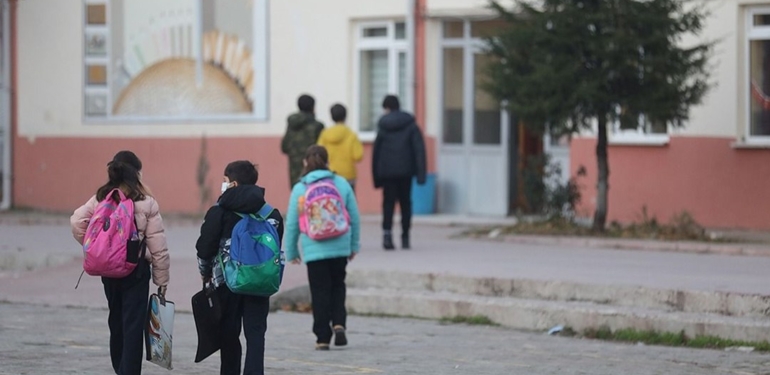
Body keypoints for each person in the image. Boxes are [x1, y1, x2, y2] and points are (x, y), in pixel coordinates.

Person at [70, 150, 170, 375]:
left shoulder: (101, 197)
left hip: (108, 270)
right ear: (137, 174)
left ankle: (119, 368)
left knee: (116, 321)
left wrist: (96, 248)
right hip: (136, 271)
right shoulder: (145, 202)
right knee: (133, 325)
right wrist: (162, 280)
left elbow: (77, 221)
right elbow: (158, 246)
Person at [196, 160, 284, 375]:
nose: (223, 184)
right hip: (260, 281)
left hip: (227, 282)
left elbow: (205, 246)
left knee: (229, 331)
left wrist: (205, 272)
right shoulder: (271, 214)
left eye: (225, 180)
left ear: (233, 183)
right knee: (255, 333)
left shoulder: (219, 211)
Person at [284, 145, 360, 350]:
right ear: (327, 162)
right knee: (337, 286)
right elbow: (354, 217)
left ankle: (322, 337)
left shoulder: (301, 189)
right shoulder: (341, 183)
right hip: (340, 246)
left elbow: (293, 222)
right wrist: (353, 245)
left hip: (314, 248)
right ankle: (339, 323)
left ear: (305, 163)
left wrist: (291, 250)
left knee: (319, 291)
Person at [372, 95, 427, 250]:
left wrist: (376, 177)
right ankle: (405, 236)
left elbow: (376, 153)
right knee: (405, 203)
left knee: (388, 203)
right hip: (406, 171)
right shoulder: (411, 125)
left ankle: (387, 235)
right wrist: (421, 174)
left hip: (387, 172)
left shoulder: (383, 127)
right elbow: (419, 150)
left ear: (387, 108)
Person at [317, 103, 364, 191]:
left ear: (331, 117)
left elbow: (318, 153)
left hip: (330, 174)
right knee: (348, 202)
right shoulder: (351, 134)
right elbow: (358, 156)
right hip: (348, 175)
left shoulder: (324, 134)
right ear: (345, 116)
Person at [281, 94, 325, 188]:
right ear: (313, 107)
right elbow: (322, 149)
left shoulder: (292, 125)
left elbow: (284, 147)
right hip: (314, 169)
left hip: (294, 172)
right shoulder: (317, 126)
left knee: (297, 198)